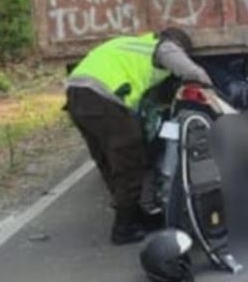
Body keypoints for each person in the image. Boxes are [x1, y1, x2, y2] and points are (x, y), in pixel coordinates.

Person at [65, 28, 213, 245]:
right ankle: (123, 229)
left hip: (76, 94)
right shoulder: (164, 47)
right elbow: (193, 73)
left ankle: (133, 216)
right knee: (130, 161)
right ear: (179, 45)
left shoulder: (133, 45)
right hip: (102, 96)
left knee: (109, 160)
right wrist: (214, 95)